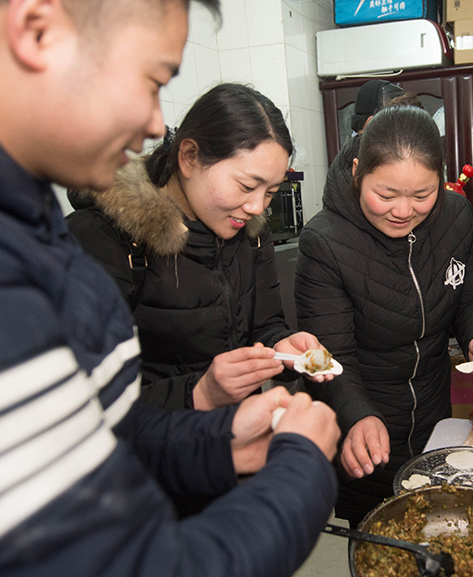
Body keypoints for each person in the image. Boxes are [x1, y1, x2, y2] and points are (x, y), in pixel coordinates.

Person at [0, 1, 340, 577]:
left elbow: (108, 422)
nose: (158, 122)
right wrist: (298, 466)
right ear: (35, 28)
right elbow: (144, 576)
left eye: (270, 190)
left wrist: (225, 435)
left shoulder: (35, 232)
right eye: (152, 80)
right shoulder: (79, 249)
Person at [67, 82, 332, 413]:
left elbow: (264, 324)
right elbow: (79, 399)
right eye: (247, 186)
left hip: (236, 438)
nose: (256, 206)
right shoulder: (103, 239)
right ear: (189, 157)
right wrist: (201, 393)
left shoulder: (249, 233)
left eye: (270, 191)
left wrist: (281, 344)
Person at [295, 105, 473, 527]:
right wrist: (356, 415)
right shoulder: (325, 243)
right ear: (357, 171)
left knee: (438, 530)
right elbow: (330, 356)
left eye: (422, 195)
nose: (403, 210)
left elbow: (471, 297)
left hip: (433, 412)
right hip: (363, 419)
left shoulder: (455, 215)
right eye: (386, 195)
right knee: (378, 539)